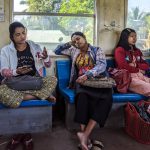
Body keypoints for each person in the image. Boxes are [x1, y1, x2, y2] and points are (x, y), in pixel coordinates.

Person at [0, 22, 57, 150]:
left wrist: (46, 57)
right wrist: (16, 72)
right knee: (1, 92)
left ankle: (19, 135)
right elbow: (3, 70)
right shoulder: (5, 50)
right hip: (15, 83)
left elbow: (47, 65)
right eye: (18, 34)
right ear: (12, 37)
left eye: (23, 33)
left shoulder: (35, 46)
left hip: (33, 82)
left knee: (53, 79)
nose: (22, 37)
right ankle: (42, 96)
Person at [54, 32, 112, 150]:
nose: (77, 42)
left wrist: (88, 74)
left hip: (98, 80)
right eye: (74, 40)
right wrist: (70, 43)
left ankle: (85, 135)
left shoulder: (96, 50)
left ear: (85, 38)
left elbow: (101, 65)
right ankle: (85, 136)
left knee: (107, 98)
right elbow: (57, 50)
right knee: (81, 97)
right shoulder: (73, 50)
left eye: (78, 39)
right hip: (81, 82)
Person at [115, 28, 150, 96]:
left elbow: (146, 65)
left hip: (141, 75)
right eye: (131, 36)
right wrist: (138, 69)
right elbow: (123, 66)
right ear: (125, 37)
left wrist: (135, 65)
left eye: (135, 36)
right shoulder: (119, 50)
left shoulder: (137, 51)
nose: (134, 38)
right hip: (129, 78)